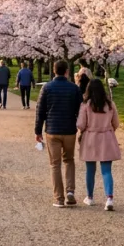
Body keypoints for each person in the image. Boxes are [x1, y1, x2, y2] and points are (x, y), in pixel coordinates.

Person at [35, 60, 83, 208]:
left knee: (55, 164)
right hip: (69, 130)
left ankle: (59, 198)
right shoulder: (74, 88)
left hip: (52, 130)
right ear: (67, 71)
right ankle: (70, 192)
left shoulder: (47, 88)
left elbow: (40, 110)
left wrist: (37, 131)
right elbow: (80, 109)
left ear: (54, 71)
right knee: (69, 160)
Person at [77, 79, 121, 212]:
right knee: (106, 170)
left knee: (90, 170)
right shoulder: (110, 104)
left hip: (90, 137)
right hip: (106, 137)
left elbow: (80, 124)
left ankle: (90, 197)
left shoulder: (86, 105)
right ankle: (109, 198)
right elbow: (116, 123)